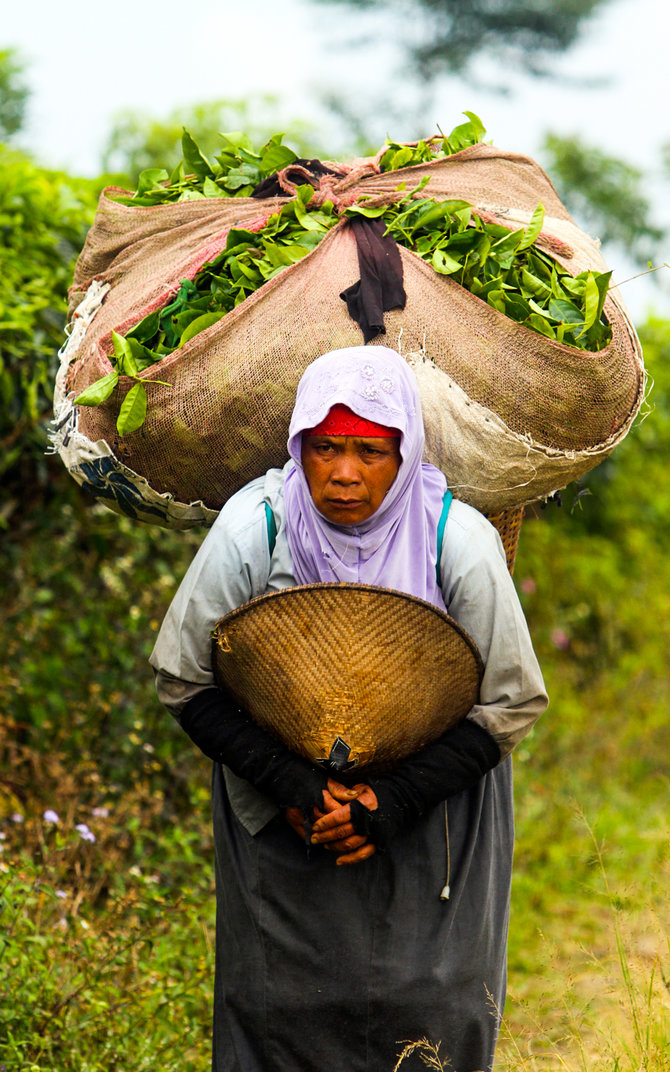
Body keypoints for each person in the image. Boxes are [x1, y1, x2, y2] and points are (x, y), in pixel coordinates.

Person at [150, 344, 548, 1072]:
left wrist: (390, 800)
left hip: (434, 813)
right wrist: (296, 788)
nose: (342, 473)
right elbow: (184, 679)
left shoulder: (455, 541)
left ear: (405, 454)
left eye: (370, 452)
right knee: (281, 1012)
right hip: (279, 814)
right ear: (298, 446)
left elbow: (511, 700)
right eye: (325, 447)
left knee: (428, 1005)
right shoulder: (255, 527)